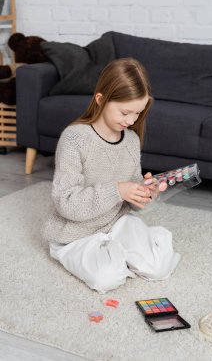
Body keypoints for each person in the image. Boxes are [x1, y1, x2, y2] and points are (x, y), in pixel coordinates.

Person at [42, 58, 180, 294]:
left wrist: (144, 191)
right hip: (77, 232)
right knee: (107, 279)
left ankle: (117, 249)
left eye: (137, 113)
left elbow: (130, 197)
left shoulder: (131, 139)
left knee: (159, 267)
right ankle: (108, 254)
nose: (131, 121)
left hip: (116, 222)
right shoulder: (74, 139)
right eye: (125, 112)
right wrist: (118, 190)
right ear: (101, 99)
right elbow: (65, 202)